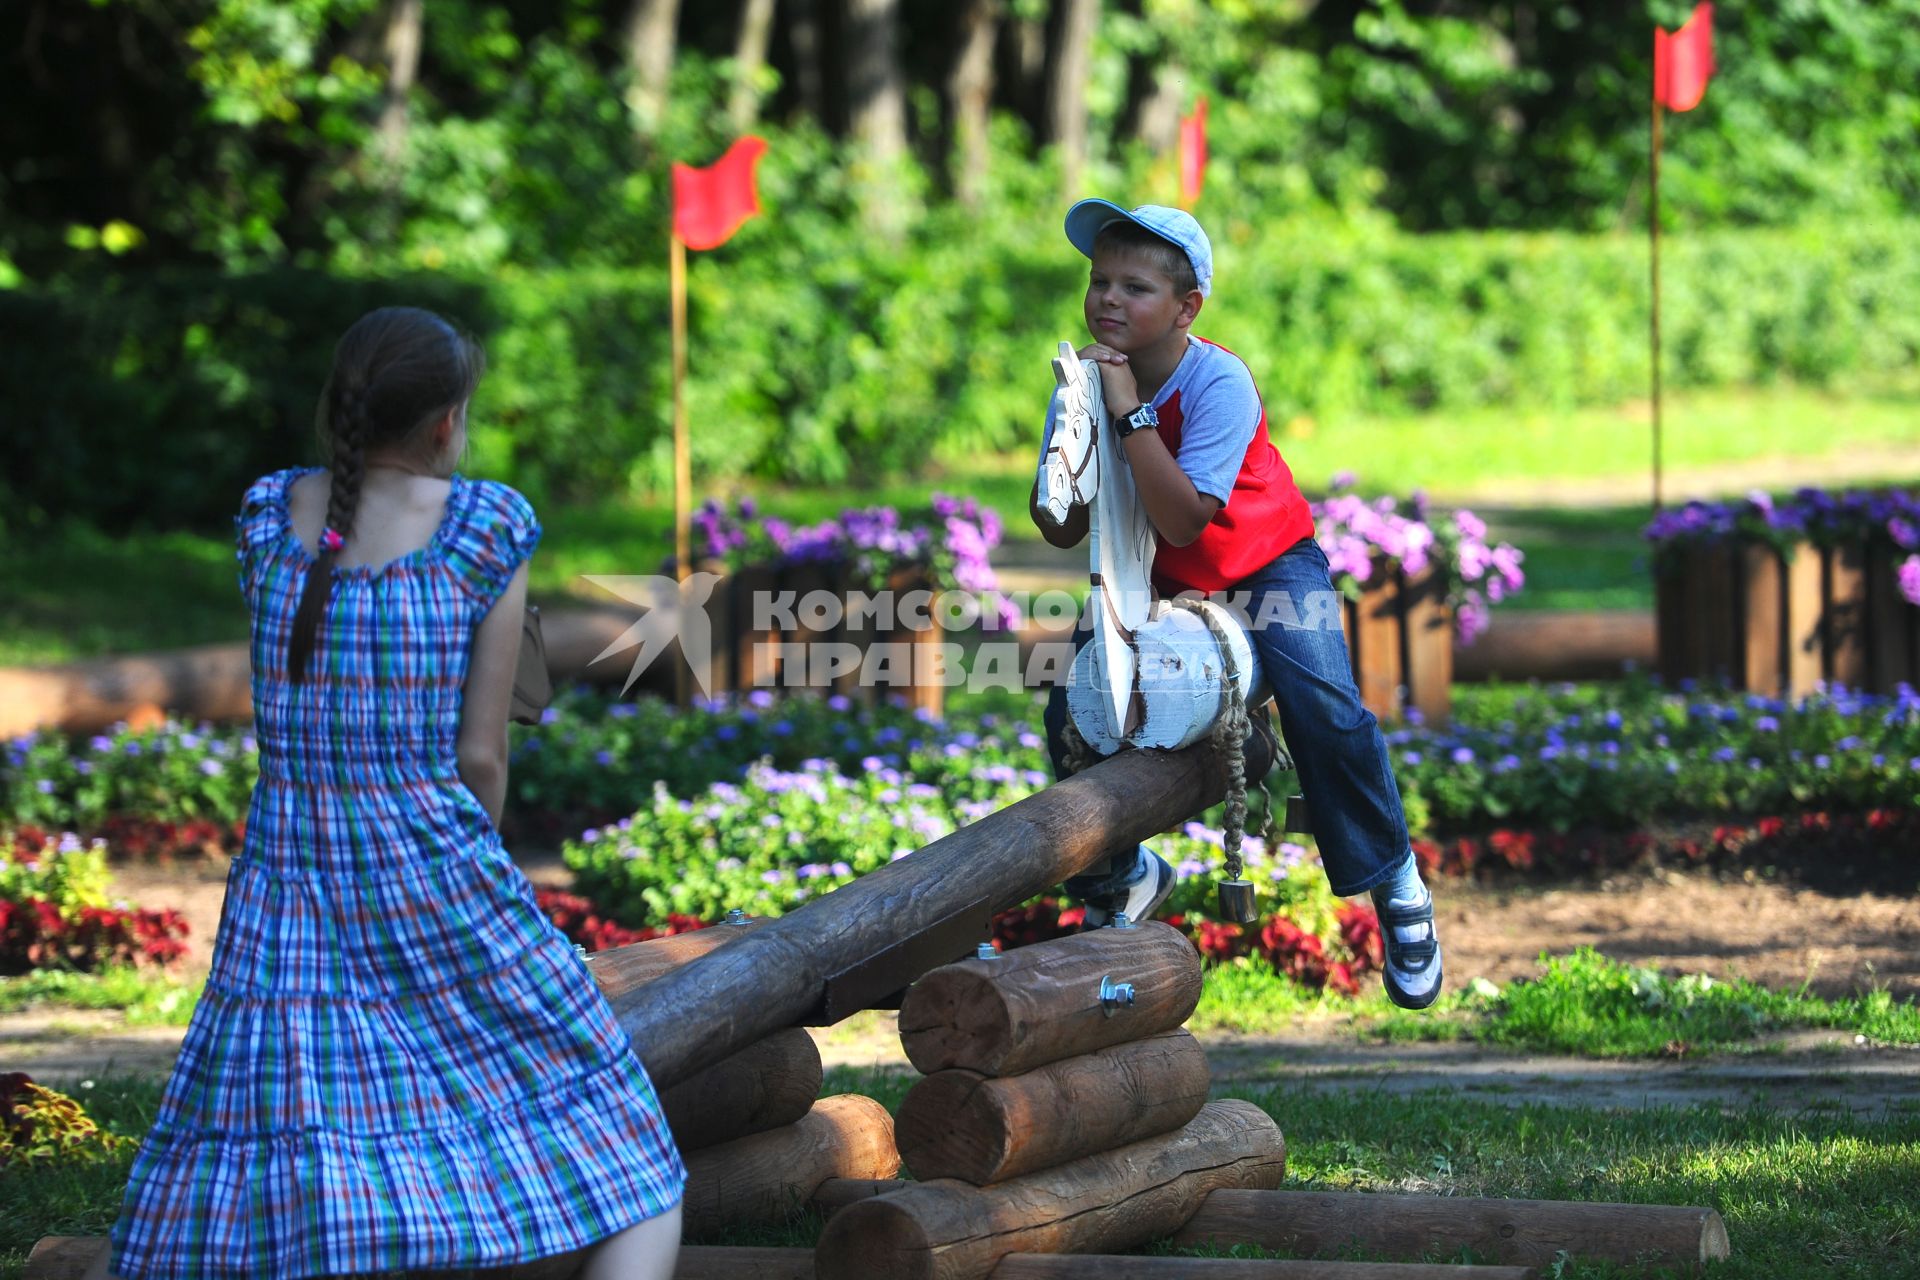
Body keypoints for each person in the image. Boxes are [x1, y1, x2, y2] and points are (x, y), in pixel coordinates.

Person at [92, 307, 685, 1279]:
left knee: (300, 1110)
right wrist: (471, 888)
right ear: (448, 421)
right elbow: (483, 755)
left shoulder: (268, 518)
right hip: (426, 852)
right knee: (630, 1150)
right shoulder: (480, 530)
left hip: (287, 873)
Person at [1030, 200, 1442, 1010]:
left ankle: (1394, 879)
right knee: (1074, 707)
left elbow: (1189, 516)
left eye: (1136, 288)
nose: (1109, 300)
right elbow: (1063, 525)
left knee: (1324, 706)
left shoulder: (1219, 381)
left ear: (1187, 308)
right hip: (1150, 569)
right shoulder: (1083, 381)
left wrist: (1126, 412)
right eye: (1099, 281)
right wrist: (1070, 442)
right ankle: (1124, 872)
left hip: (1264, 562)